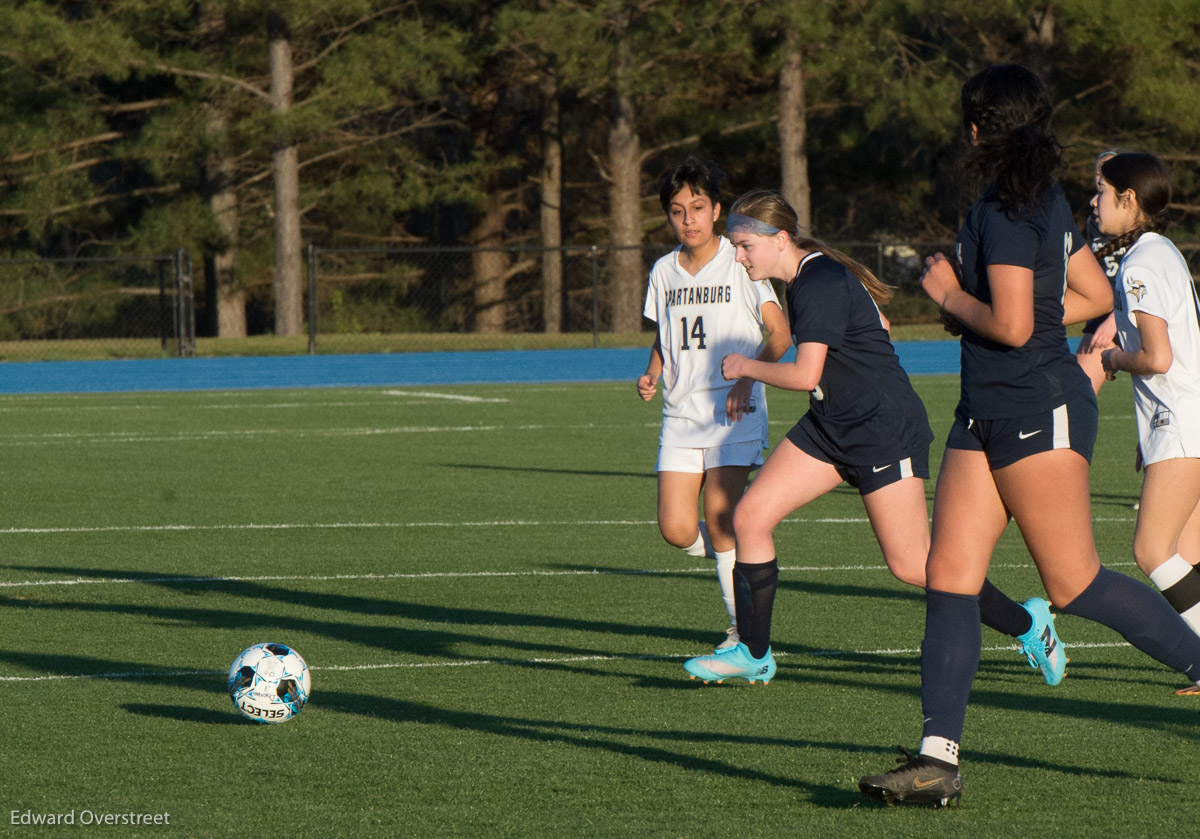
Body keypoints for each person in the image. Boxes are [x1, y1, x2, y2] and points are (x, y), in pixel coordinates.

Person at [857, 64, 1200, 809]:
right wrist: (1014, 318)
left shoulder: (1010, 208)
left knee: (1073, 582)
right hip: (989, 409)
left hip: (1031, 407)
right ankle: (936, 757)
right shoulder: (1032, 196)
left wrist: (949, 295)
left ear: (980, 128)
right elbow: (1090, 294)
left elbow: (1013, 324)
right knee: (949, 576)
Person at [680, 189, 1065, 689]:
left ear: (779, 239)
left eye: (744, 245)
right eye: (734, 245)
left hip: (882, 431)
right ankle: (754, 653)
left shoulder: (816, 280)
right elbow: (873, 324)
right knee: (750, 516)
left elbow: (804, 373)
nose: (737, 255)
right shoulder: (804, 277)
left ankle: (1029, 624)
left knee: (916, 565)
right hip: (832, 423)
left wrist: (746, 368)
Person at [638, 157, 791, 651]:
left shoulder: (741, 260)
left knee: (722, 520)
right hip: (681, 417)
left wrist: (749, 379)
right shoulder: (663, 272)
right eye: (678, 211)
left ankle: (744, 635)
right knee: (676, 528)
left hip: (733, 415)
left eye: (698, 207)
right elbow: (667, 336)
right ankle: (744, 558)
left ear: (718, 210)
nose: (689, 219)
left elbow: (781, 334)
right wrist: (653, 373)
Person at [1095, 153, 1200, 689]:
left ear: (1128, 199)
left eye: (1101, 190)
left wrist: (1111, 358)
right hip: (1184, 419)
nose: (1094, 202)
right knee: (1188, 553)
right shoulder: (1162, 253)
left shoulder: (1140, 262)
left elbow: (1157, 358)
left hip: (1182, 421)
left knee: (1152, 550)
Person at [1076, 149, 1124, 393]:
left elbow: (1144, 285)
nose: (1100, 176)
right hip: (1105, 310)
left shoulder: (1141, 228)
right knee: (1076, 391)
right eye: (1098, 171)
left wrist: (1115, 320)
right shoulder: (1095, 220)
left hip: (1131, 312)